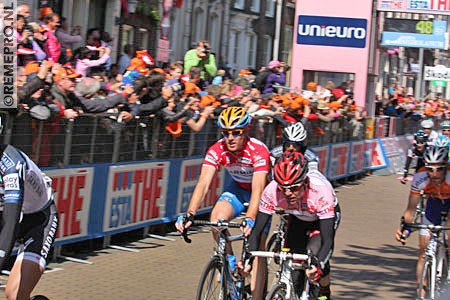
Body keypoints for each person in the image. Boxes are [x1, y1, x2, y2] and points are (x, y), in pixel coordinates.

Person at [175, 106, 270, 298]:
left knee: (258, 247)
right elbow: (203, 183)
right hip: (237, 189)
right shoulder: (217, 149)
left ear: (245, 132)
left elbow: (258, 188)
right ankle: (229, 260)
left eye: (236, 133)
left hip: (261, 195)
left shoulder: (258, 150)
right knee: (216, 220)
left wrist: (250, 217)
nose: (230, 138)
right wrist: (190, 213)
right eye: (226, 133)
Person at [251, 151, 340, 299]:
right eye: (282, 188)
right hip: (298, 217)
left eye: (293, 188)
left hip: (321, 220)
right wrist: (248, 259)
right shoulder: (272, 191)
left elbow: (328, 241)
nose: (287, 193)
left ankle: (324, 288)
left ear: (305, 182)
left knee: (314, 253)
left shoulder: (321, 191)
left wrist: (318, 266)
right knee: (295, 267)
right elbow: (256, 231)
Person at [0, 117, 58, 300]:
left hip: (38, 220)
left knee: (15, 295)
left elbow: (11, 220)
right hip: (7, 215)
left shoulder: (12, 165)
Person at [395, 146, 450, 297]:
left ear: (446, 165)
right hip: (434, 205)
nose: (434, 174)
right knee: (423, 251)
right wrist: (405, 229)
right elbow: (411, 209)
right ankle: (421, 293)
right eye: (430, 169)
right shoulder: (420, 177)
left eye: (439, 169)